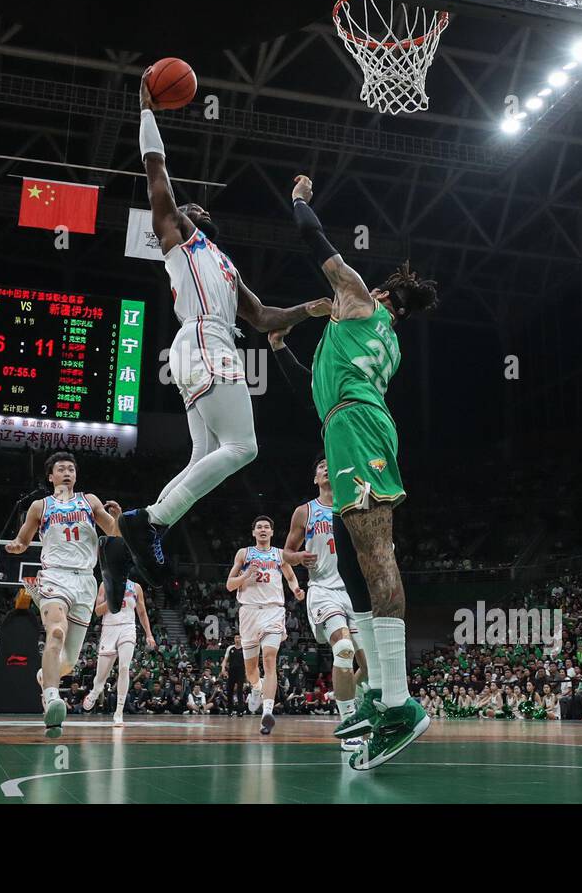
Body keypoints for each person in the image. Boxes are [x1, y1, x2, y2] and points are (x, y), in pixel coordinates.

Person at [116, 73, 331, 582]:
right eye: (190, 208)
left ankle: (136, 539)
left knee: (207, 453)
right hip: (204, 341)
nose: (198, 208)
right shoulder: (179, 237)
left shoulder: (225, 264)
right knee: (246, 447)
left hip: (206, 346)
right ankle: (147, 522)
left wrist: (308, 309)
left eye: (201, 209)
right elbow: (158, 176)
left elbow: (261, 318)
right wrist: (148, 114)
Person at [273, 174, 439, 770]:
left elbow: (317, 245)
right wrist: (281, 347)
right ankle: (376, 692)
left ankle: (399, 702)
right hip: (347, 426)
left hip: (359, 429)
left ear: (382, 292)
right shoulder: (383, 342)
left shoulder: (360, 301)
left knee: (377, 558)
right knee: (365, 564)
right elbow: (312, 391)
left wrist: (299, 201)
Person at [7, 451, 121, 732]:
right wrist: (15, 547)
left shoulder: (89, 500)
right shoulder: (39, 506)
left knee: (67, 662)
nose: (67, 472)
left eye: (71, 468)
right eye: (61, 469)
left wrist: (118, 519)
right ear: (51, 476)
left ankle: (46, 677)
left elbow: (115, 532)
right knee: (56, 631)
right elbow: (23, 541)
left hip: (85, 581)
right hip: (54, 577)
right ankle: (51, 697)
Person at [283, 457, 368, 752]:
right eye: (320, 466)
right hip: (323, 589)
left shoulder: (351, 506)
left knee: (370, 668)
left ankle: (347, 695)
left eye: (330, 463)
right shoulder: (304, 511)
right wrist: (298, 558)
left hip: (353, 591)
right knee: (343, 651)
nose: (326, 467)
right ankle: (349, 725)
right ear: (316, 479)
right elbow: (286, 553)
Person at [225, 516, 305, 735]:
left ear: (271, 532)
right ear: (253, 533)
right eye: (259, 527)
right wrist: (245, 575)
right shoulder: (244, 553)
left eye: (266, 527)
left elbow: (290, 577)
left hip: (273, 611)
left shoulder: (280, 554)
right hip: (249, 612)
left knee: (270, 660)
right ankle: (257, 688)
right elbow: (230, 585)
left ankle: (267, 713)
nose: (262, 529)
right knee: (251, 671)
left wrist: (296, 590)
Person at [83, 573, 156, 727]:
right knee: (101, 676)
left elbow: (142, 612)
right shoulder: (105, 584)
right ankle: (96, 691)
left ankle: (119, 712)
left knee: (124, 668)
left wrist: (149, 634)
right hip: (109, 628)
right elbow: (98, 611)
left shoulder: (136, 587)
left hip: (128, 628)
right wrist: (113, 598)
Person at [219, 633, 247, 716]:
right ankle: (230, 710)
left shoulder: (244, 649)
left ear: (241, 639)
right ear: (234, 639)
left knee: (239, 691)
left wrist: (247, 672)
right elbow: (225, 660)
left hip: (241, 672)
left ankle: (240, 711)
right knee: (229, 691)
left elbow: (247, 661)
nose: (237, 639)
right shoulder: (230, 648)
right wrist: (223, 668)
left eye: (239, 637)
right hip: (231, 672)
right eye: (236, 638)